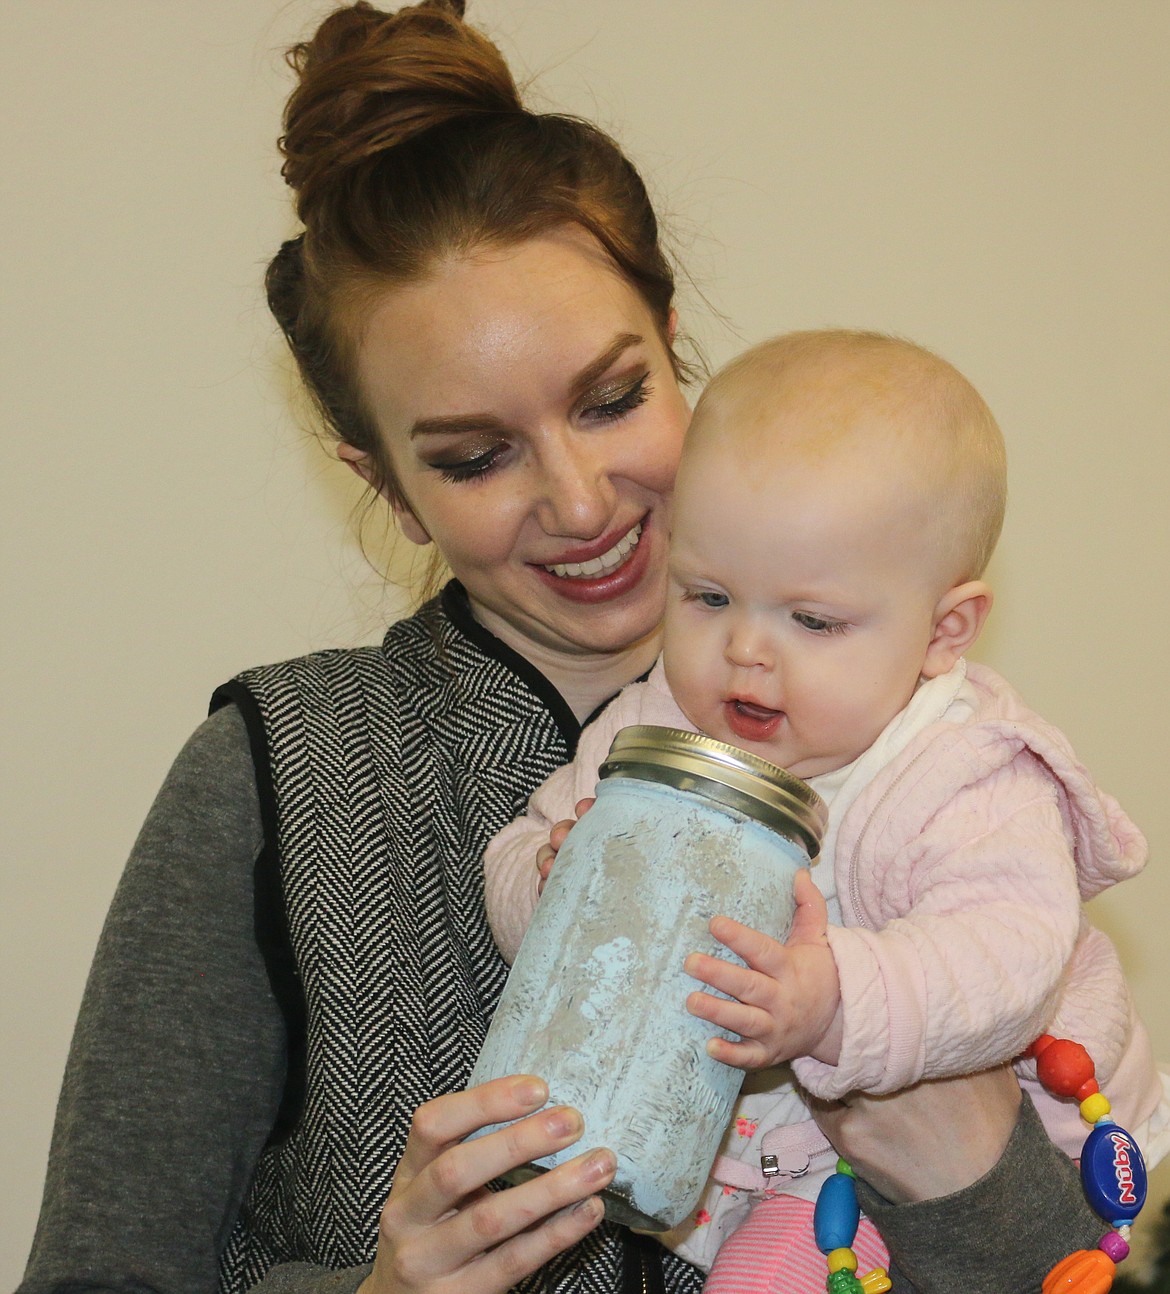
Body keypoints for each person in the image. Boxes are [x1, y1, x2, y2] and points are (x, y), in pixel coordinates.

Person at [15, 4, 1131, 1294]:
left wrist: (965, 1167)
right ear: (380, 479)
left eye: (612, 399)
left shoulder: (933, 744)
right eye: (475, 455)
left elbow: (1101, 1245)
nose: (584, 500)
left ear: (676, 350)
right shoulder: (277, 774)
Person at [483, 329, 1170, 1290]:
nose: (747, 652)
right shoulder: (653, 723)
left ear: (944, 631)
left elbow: (1011, 953)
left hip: (973, 1144)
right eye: (709, 596)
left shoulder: (961, 767)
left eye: (813, 621)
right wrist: (555, 882)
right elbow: (522, 845)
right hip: (750, 1164)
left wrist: (836, 998)